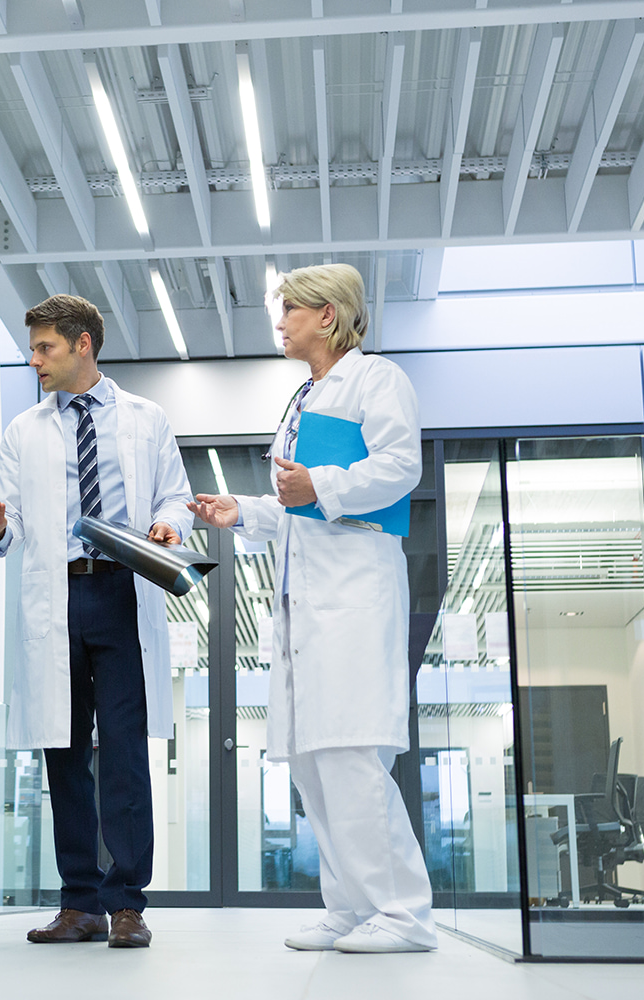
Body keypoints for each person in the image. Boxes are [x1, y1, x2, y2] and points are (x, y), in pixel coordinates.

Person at [188, 264, 436, 954]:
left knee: (351, 752)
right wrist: (245, 511)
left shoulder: (376, 379)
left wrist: (318, 484)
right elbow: (300, 507)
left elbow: (399, 466)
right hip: (307, 595)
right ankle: (350, 907)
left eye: (290, 308)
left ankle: (403, 914)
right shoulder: (307, 395)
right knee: (311, 761)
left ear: (327, 315)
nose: (280, 320)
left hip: (356, 588)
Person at [0, 294, 193, 949]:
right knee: (63, 755)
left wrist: (170, 522)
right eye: (33, 349)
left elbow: (174, 492)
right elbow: (9, 524)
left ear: (83, 344)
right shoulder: (23, 430)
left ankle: (126, 905)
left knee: (124, 755)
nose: (34, 360)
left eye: (45, 348)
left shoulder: (146, 420)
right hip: (55, 598)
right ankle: (79, 903)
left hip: (121, 593)